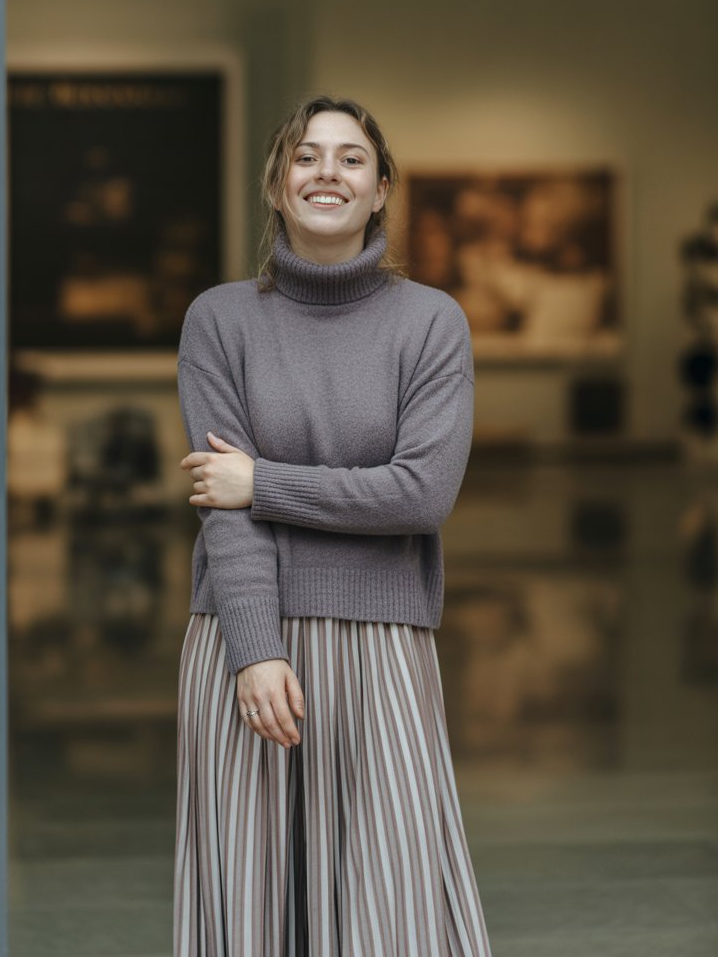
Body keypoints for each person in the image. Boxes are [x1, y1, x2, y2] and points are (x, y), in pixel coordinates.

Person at [173, 94, 492, 956]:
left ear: (382, 189)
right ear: (277, 186)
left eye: (351, 159)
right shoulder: (219, 319)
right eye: (306, 157)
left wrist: (262, 482)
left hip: (384, 642)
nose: (327, 173)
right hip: (245, 644)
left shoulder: (431, 322)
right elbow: (219, 508)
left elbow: (422, 494)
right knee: (251, 895)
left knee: (388, 899)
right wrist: (255, 646)